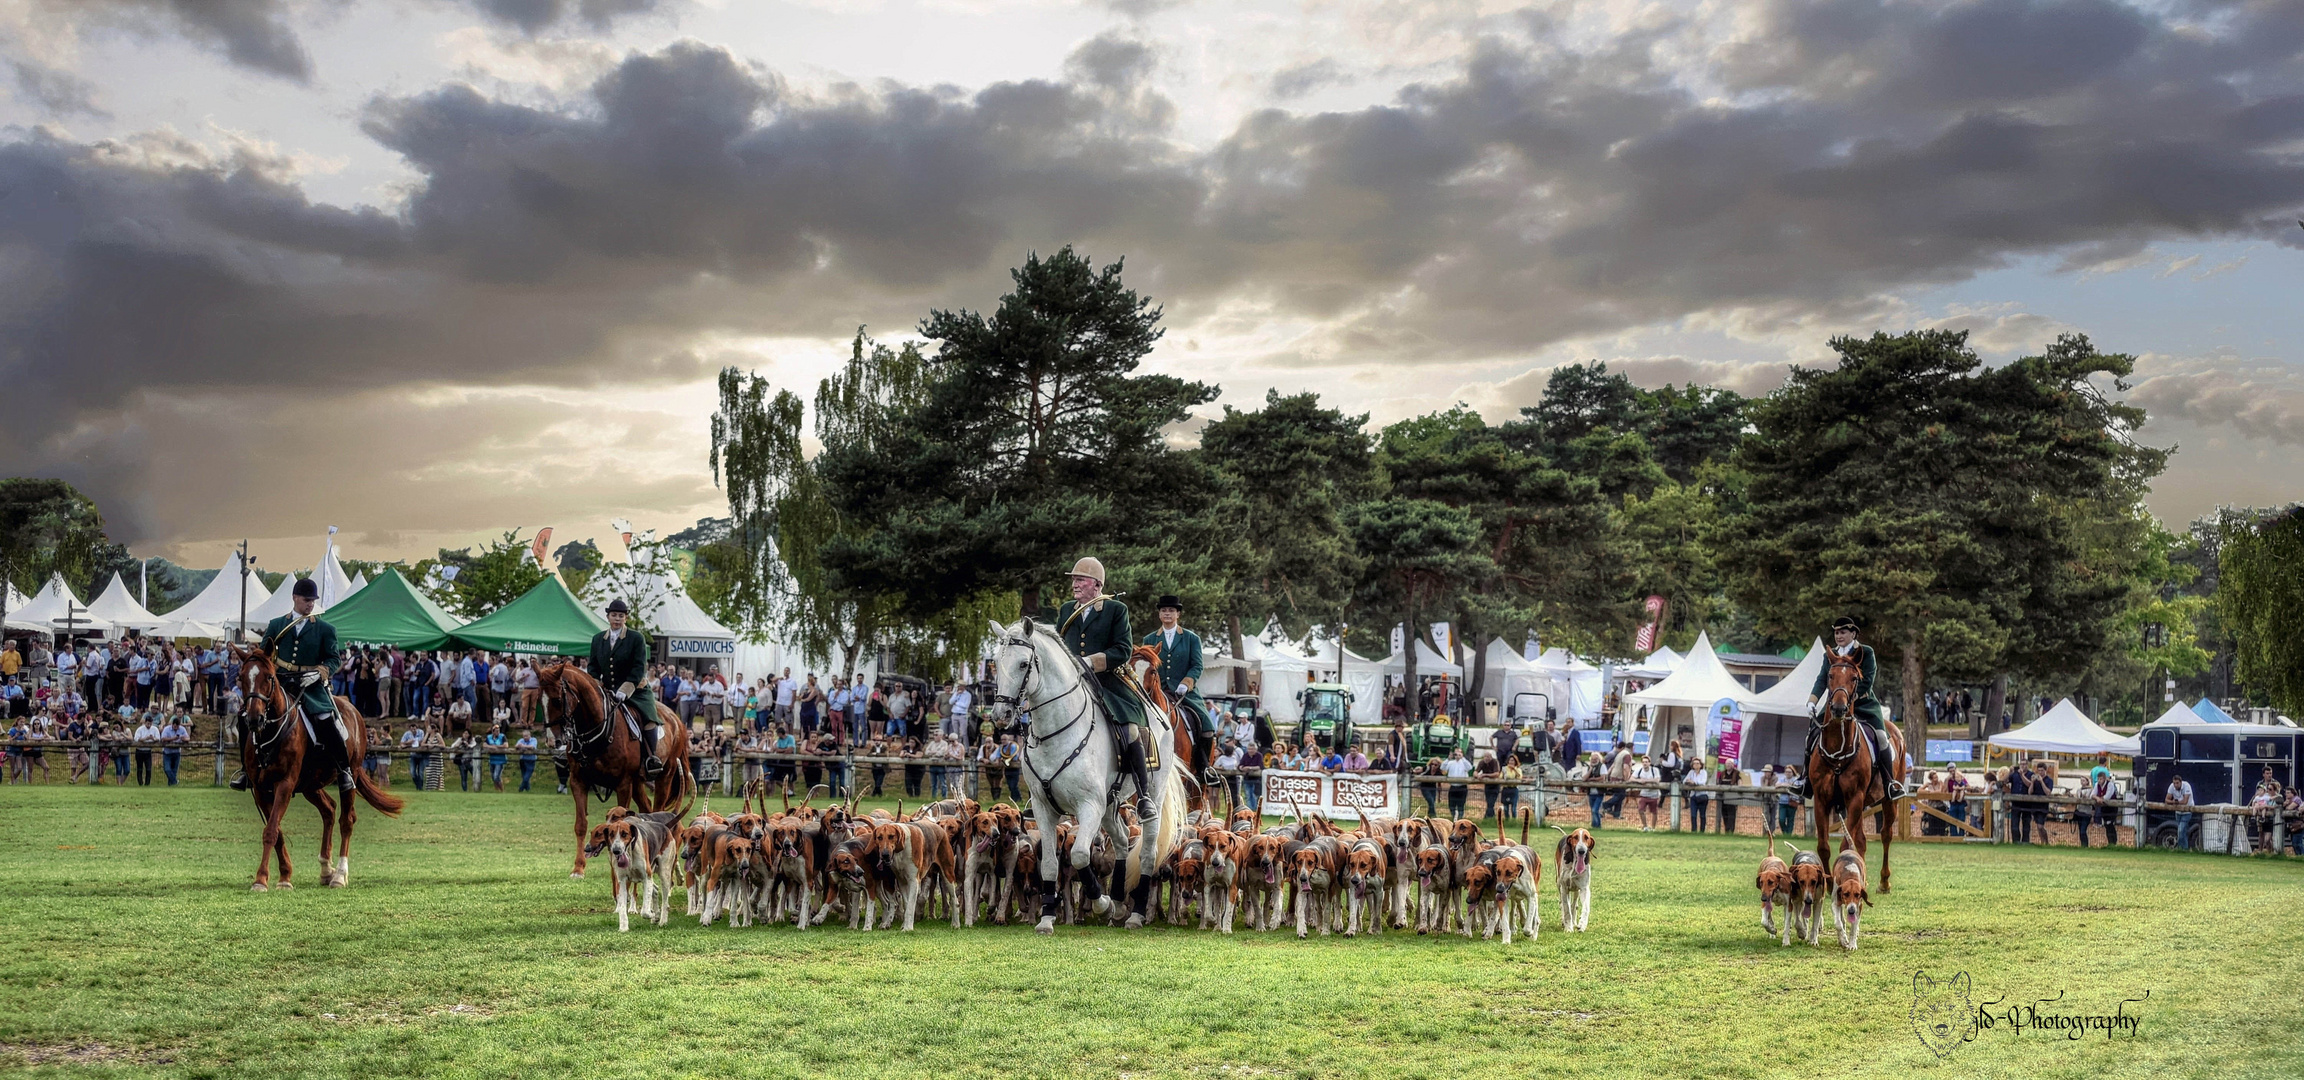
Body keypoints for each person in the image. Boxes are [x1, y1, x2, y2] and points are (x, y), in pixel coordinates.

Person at [232, 577, 353, 792]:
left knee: (326, 719)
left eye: (313, 601)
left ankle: (344, 771)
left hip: (311, 686)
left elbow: (334, 659)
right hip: (281, 683)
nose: (310, 604)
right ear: (295, 598)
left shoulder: (325, 629)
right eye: (306, 600)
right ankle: (246, 770)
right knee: (244, 717)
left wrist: (319, 673)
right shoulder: (277, 625)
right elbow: (263, 656)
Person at [1056, 556, 1153, 818]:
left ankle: (1143, 796)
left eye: (1080, 579)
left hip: (1107, 681)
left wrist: (1089, 662)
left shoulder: (1115, 610)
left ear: (1096, 584)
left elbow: (1122, 650)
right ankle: (1042, 789)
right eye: (1073, 580)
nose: (1074, 584)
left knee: (1130, 728)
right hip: (1071, 683)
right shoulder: (1066, 610)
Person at [1792, 616, 1904, 801]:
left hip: (1863, 704)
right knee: (1811, 734)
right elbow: (1822, 679)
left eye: (1843, 632)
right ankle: (1804, 780)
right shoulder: (1830, 654)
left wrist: (1848, 700)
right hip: (1835, 705)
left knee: (1882, 737)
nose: (1838, 635)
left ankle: (1889, 782)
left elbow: (1867, 680)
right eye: (1836, 632)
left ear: (1853, 633)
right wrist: (1812, 701)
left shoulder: (1865, 652)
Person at [588, 599, 662, 781]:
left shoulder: (636, 638)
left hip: (635, 690)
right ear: (608, 616)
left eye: (621, 616)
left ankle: (651, 758)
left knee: (649, 720)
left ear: (626, 618)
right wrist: (596, 687)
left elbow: (638, 668)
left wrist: (625, 690)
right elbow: (593, 667)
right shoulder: (598, 639)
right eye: (614, 615)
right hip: (607, 691)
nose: (617, 619)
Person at [1144, 594, 1215, 781]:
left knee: (1207, 726)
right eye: (1164, 610)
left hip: (1184, 693)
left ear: (1178, 615)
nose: (1167, 613)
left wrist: (1186, 683)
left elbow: (1197, 666)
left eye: (1171, 611)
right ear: (1159, 615)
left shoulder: (1191, 638)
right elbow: (1146, 666)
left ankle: (1204, 768)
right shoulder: (1149, 639)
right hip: (1156, 691)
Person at [2166, 773, 2196, 850]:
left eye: (2177, 783)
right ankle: (2185, 849)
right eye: (2174, 783)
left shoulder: (2187, 786)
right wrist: (2174, 802)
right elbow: (2166, 800)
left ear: (2181, 782)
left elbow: (2185, 801)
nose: (2175, 785)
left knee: (2180, 830)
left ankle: (2180, 847)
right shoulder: (2171, 787)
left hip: (2187, 811)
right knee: (2183, 831)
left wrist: (2174, 802)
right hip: (2178, 812)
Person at [159, 711, 190, 785]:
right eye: (174, 726)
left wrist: (183, 739)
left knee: (174, 770)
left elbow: (188, 738)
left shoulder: (182, 729)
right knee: (167, 769)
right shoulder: (167, 729)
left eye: (177, 726)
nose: (176, 728)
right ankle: (175, 782)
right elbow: (163, 739)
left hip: (176, 752)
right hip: (167, 752)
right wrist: (173, 738)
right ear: (172, 724)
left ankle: (171, 785)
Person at [1632, 755, 1661, 831]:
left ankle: (1653, 828)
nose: (1645, 764)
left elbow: (1657, 780)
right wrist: (1639, 781)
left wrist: (1646, 781)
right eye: (1643, 762)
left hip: (1654, 794)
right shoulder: (1639, 770)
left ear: (1649, 763)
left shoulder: (1655, 770)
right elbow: (1631, 778)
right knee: (1640, 810)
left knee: (1654, 812)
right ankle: (1645, 826)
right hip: (1643, 794)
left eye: (1646, 762)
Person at [1442, 747, 1473, 819]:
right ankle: (1454, 817)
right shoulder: (1450, 763)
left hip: (1462, 786)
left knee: (1461, 805)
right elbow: (1443, 768)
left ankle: (1460, 818)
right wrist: (1448, 758)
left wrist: (1462, 758)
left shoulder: (1464, 762)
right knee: (1451, 805)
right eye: (1456, 754)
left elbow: (1469, 767)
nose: (1457, 756)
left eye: (1459, 753)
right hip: (1453, 786)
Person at [1685, 756, 1712, 833]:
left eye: (1697, 763)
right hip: (1693, 796)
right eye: (1694, 764)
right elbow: (1685, 780)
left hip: (1702, 796)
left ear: (1701, 765)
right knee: (1693, 814)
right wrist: (1689, 782)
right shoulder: (1691, 772)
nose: (1696, 765)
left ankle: (1702, 831)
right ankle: (1693, 830)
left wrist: (1693, 782)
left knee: (1702, 814)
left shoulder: (1704, 772)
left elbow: (1702, 782)